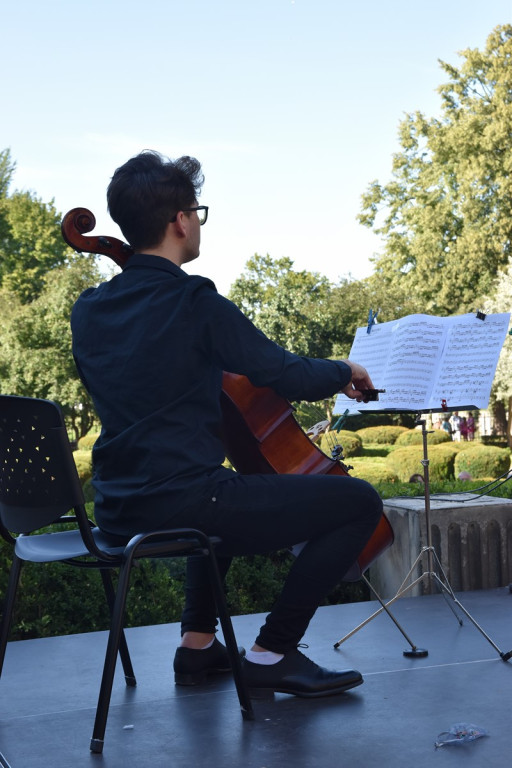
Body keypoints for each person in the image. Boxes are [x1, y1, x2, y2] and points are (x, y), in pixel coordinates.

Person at [71, 150, 383, 700]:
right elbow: (278, 371)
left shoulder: (89, 309)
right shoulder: (194, 300)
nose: (197, 222)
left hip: (116, 509)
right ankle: (273, 652)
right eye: (197, 210)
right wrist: (344, 371)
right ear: (180, 220)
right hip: (183, 502)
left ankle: (196, 646)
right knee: (357, 501)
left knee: (219, 480)